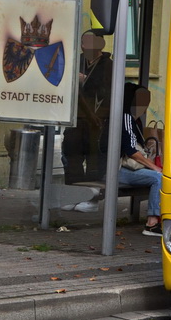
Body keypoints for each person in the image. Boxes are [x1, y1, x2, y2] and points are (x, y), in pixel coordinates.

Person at [62, 29, 113, 185]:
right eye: (83, 42)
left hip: (98, 120)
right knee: (72, 155)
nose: (84, 46)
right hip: (76, 118)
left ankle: (91, 196)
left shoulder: (109, 66)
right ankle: (72, 191)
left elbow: (108, 91)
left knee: (95, 159)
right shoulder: (77, 61)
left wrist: (86, 81)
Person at [117, 82, 163, 237]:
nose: (146, 105)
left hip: (127, 168)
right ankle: (152, 224)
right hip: (118, 170)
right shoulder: (126, 118)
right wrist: (154, 167)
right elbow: (131, 151)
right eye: (142, 101)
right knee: (159, 178)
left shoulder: (135, 120)